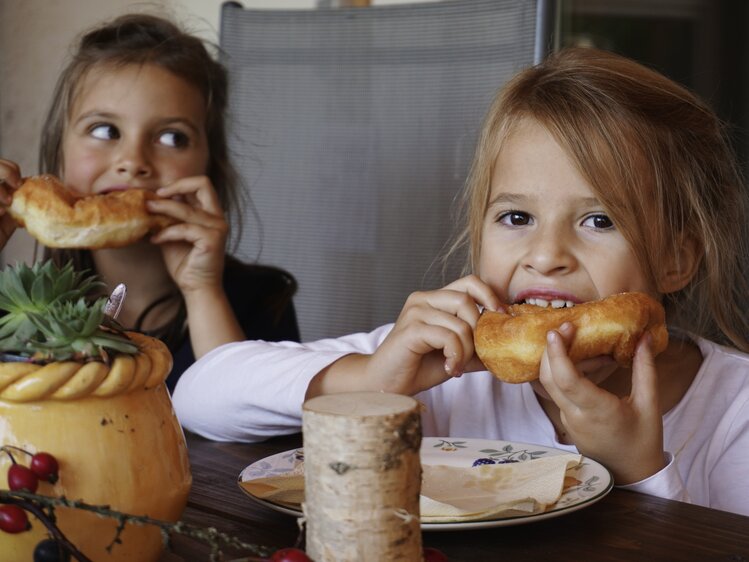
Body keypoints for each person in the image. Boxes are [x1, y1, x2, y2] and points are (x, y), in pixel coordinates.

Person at [172, 48, 749, 516]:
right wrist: (374, 380)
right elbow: (202, 393)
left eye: (600, 220)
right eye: (516, 217)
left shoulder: (734, 409)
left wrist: (638, 472)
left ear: (676, 258)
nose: (545, 256)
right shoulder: (453, 367)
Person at [0, 14, 300, 390]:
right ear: (58, 152)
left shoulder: (263, 301)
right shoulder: (16, 311)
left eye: (172, 137)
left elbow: (250, 431)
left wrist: (202, 291)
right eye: (105, 130)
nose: (134, 161)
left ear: (210, 164)